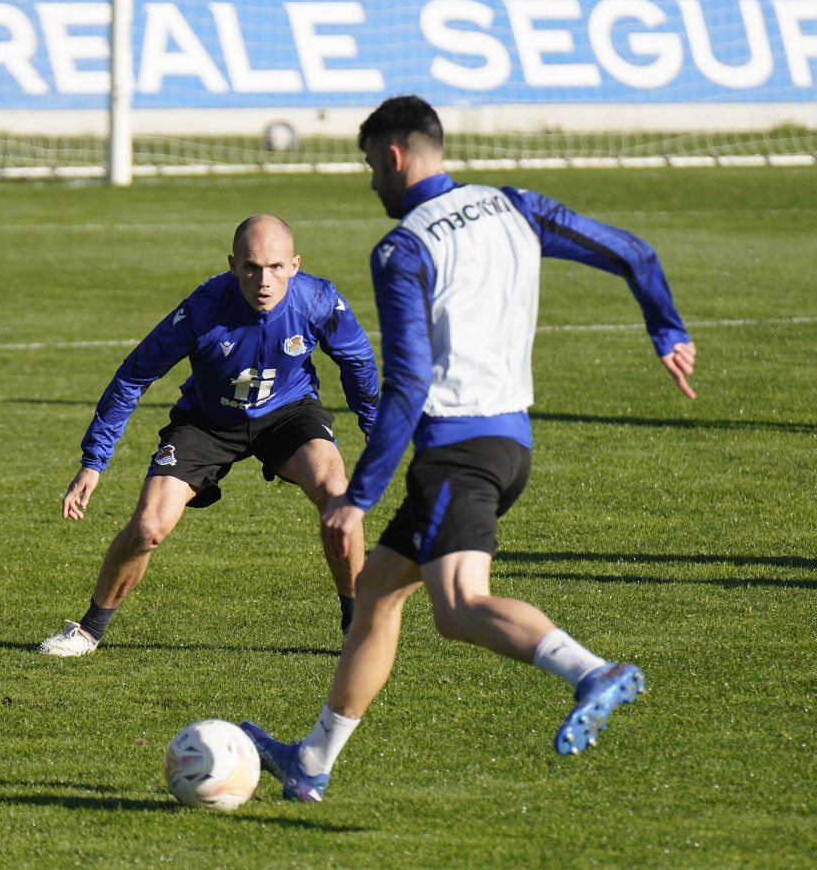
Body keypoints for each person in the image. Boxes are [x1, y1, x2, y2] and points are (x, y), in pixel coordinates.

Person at [241, 95, 697, 802]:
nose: (370, 183)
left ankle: (590, 672)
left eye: (369, 165)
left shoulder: (403, 248)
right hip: (509, 440)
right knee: (376, 595)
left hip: (459, 451)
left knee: (456, 607)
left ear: (393, 155)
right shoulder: (513, 205)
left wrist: (357, 497)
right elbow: (631, 251)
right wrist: (665, 329)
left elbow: (409, 384)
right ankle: (311, 761)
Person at [38, 215, 379, 657]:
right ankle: (88, 630)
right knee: (148, 527)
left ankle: (357, 628)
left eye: (276, 267)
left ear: (295, 265)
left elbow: (359, 363)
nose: (263, 280)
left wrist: (375, 429)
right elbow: (133, 375)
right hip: (207, 422)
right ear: (233, 264)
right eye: (252, 267)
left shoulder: (318, 300)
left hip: (288, 414)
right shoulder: (203, 308)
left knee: (337, 496)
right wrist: (94, 460)